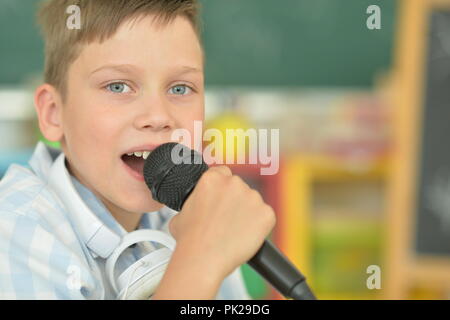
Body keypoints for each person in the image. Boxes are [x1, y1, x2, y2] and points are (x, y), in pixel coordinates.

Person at [0, 0, 276, 300]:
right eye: (118, 86)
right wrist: (200, 260)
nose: (158, 116)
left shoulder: (192, 219)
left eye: (180, 88)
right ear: (54, 113)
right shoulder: (16, 230)